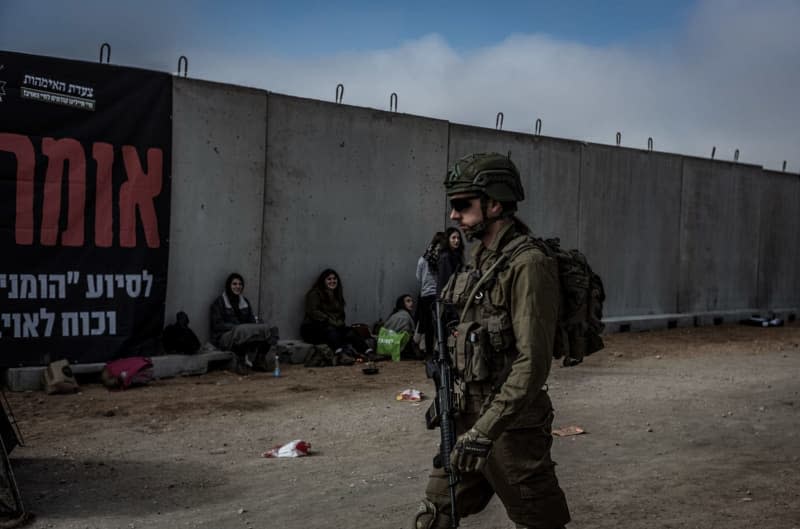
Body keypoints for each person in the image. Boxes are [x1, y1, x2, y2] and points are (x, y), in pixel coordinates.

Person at [412, 153, 570, 529]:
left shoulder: (529, 265)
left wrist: (486, 430)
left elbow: (533, 364)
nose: (453, 215)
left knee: (539, 523)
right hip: (466, 419)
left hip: (511, 428)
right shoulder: (481, 259)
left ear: (495, 204)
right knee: (432, 517)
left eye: (462, 205)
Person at [209, 273, 279, 370]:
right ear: (229, 285)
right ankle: (240, 362)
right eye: (234, 284)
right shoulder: (219, 302)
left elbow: (251, 321)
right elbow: (217, 325)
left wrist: (256, 325)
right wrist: (236, 327)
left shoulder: (244, 301)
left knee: (271, 329)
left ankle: (259, 360)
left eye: (240, 284)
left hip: (244, 332)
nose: (238, 286)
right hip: (224, 337)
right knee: (241, 330)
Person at [300, 268, 371, 358]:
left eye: (334, 279)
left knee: (350, 332)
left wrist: (339, 324)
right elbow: (313, 312)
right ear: (323, 281)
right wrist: (330, 321)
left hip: (333, 327)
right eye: (329, 279)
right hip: (312, 329)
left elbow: (341, 316)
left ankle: (368, 352)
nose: (332, 281)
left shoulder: (337, 295)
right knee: (330, 331)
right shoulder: (314, 293)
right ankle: (341, 355)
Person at [415, 232, 445, 357]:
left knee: (428, 326)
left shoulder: (423, 259)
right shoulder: (442, 258)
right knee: (439, 324)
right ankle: (439, 352)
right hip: (438, 295)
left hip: (425, 295)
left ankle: (428, 353)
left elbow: (418, 277)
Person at [382, 294, 418, 360]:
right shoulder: (405, 316)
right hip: (397, 348)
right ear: (402, 303)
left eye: (412, 301)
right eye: (408, 301)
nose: (411, 303)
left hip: (385, 347)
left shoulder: (394, 314)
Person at [436, 227, 464, 295]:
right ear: (447, 239)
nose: (457, 240)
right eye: (453, 238)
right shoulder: (446, 256)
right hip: (446, 296)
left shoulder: (456, 255)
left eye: (458, 238)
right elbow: (447, 280)